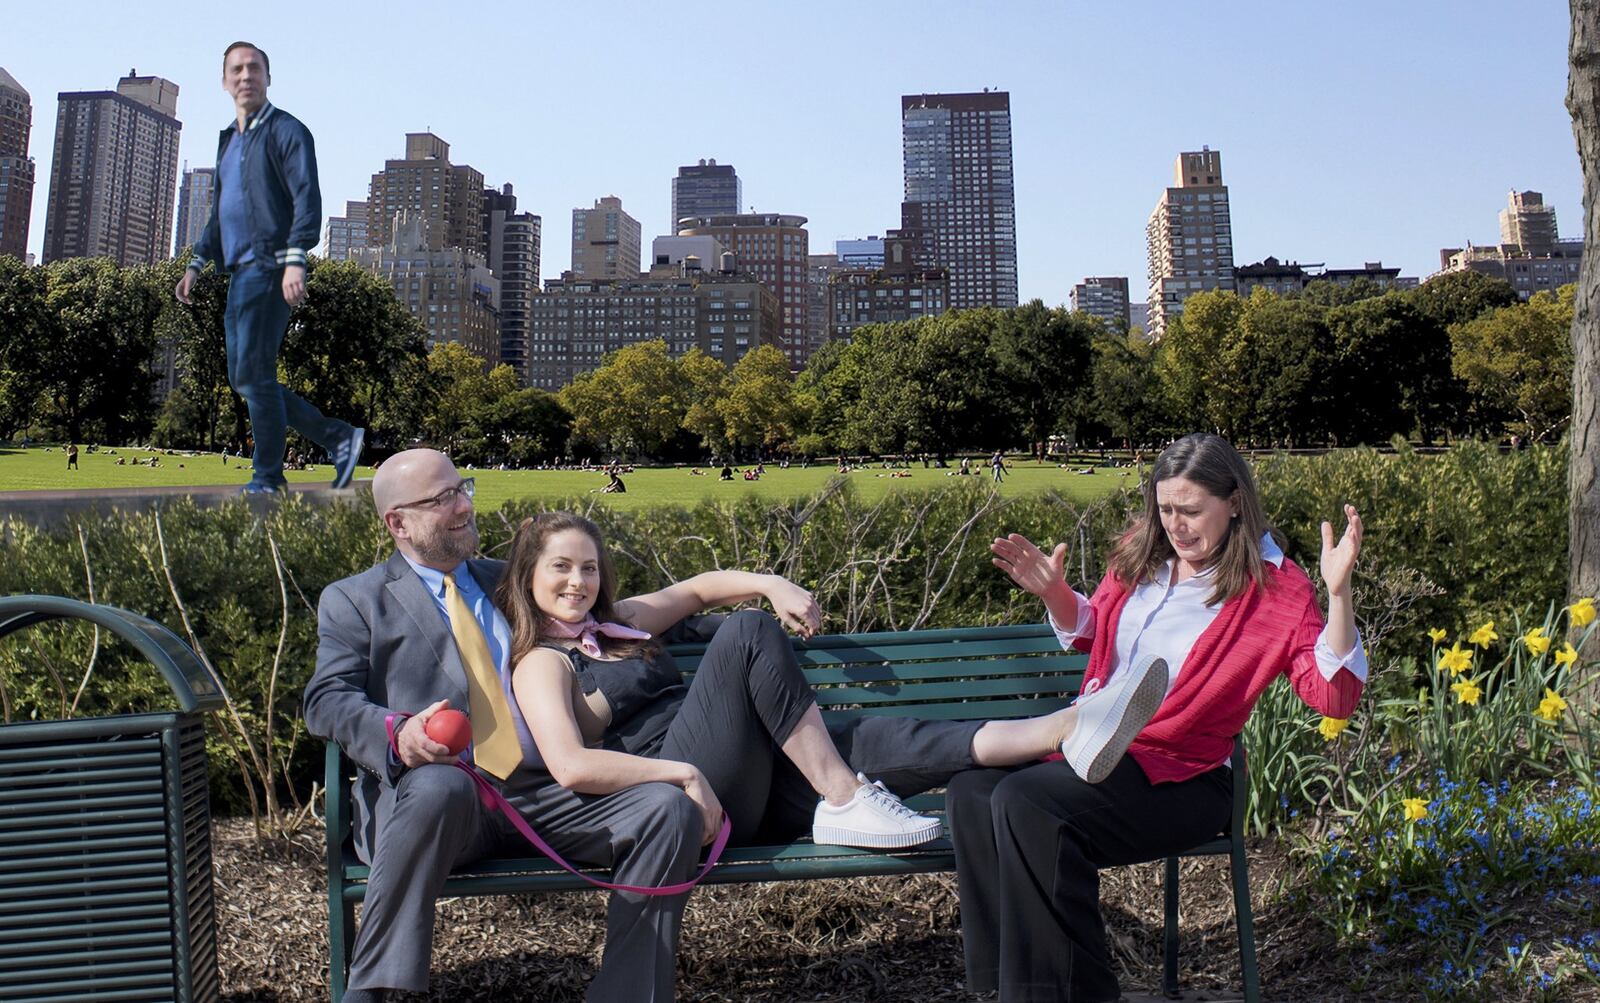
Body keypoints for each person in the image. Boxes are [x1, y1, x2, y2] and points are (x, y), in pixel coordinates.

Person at [491, 511, 1164, 1002]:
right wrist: (680, 772)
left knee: (870, 738)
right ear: (529, 576)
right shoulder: (542, 665)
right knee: (750, 634)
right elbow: (571, 765)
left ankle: (1066, 727)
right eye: (561, 566)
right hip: (689, 797)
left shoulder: (621, 625)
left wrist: (770, 581)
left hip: (745, 783)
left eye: (588, 566)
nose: (578, 581)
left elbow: (697, 590)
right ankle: (843, 798)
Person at [948, 432, 1367, 1002]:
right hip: (1092, 743)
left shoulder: (1276, 589)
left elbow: (1334, 697)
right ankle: (1010, 989)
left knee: (1026, 804)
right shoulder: (1140, 555)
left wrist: (1338, 595)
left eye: (1191, 510)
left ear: (1235, 501)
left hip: (1184, 776)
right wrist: (1055, 594)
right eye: (1166, 508)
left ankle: (1069, 994)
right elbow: (1092, 633)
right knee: (973, 792)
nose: (1176, 524)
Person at [304, 449, 518, 1002]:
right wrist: (397, 733)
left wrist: (751, 592)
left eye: (462, 488)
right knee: (441, 782)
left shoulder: (511, 583)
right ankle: (369, 994)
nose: (465, 505)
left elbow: (614, 620)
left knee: (658, 806)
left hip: (537, 798)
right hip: (435, 808)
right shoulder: (355, 600)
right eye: (442, 498)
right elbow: (326, 699)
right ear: (397, 522)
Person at [175, 40, 363, 496]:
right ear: (224, 81)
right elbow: (222, 210)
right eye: (236, 70)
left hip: (272, 265)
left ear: (268, 78)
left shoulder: (288, 131)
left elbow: (306, 197)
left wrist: (295, 258)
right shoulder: (229, 142)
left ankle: (267, 477)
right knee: (244, 379)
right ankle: (338, 436)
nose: (245, 76)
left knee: (254, 375)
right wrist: (197, 262)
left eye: (254, 68)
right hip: (238, 272)